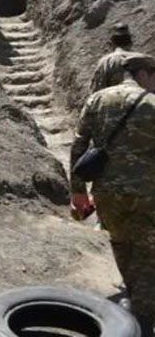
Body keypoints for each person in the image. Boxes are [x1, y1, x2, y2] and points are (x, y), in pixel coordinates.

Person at [70, 52, 155, 334]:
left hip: (107, 196)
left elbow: (79, 147)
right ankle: (141, 323)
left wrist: (78, 193)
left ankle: (134, 301)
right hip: (147, 196)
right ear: (144, 74)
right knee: (147, 255)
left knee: (122, 244)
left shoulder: (97, 100)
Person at [89, 23, 134, 93]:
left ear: (111, 43)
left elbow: (97, 91)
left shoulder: (106, 62)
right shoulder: (147, 60)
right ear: (131, 42)